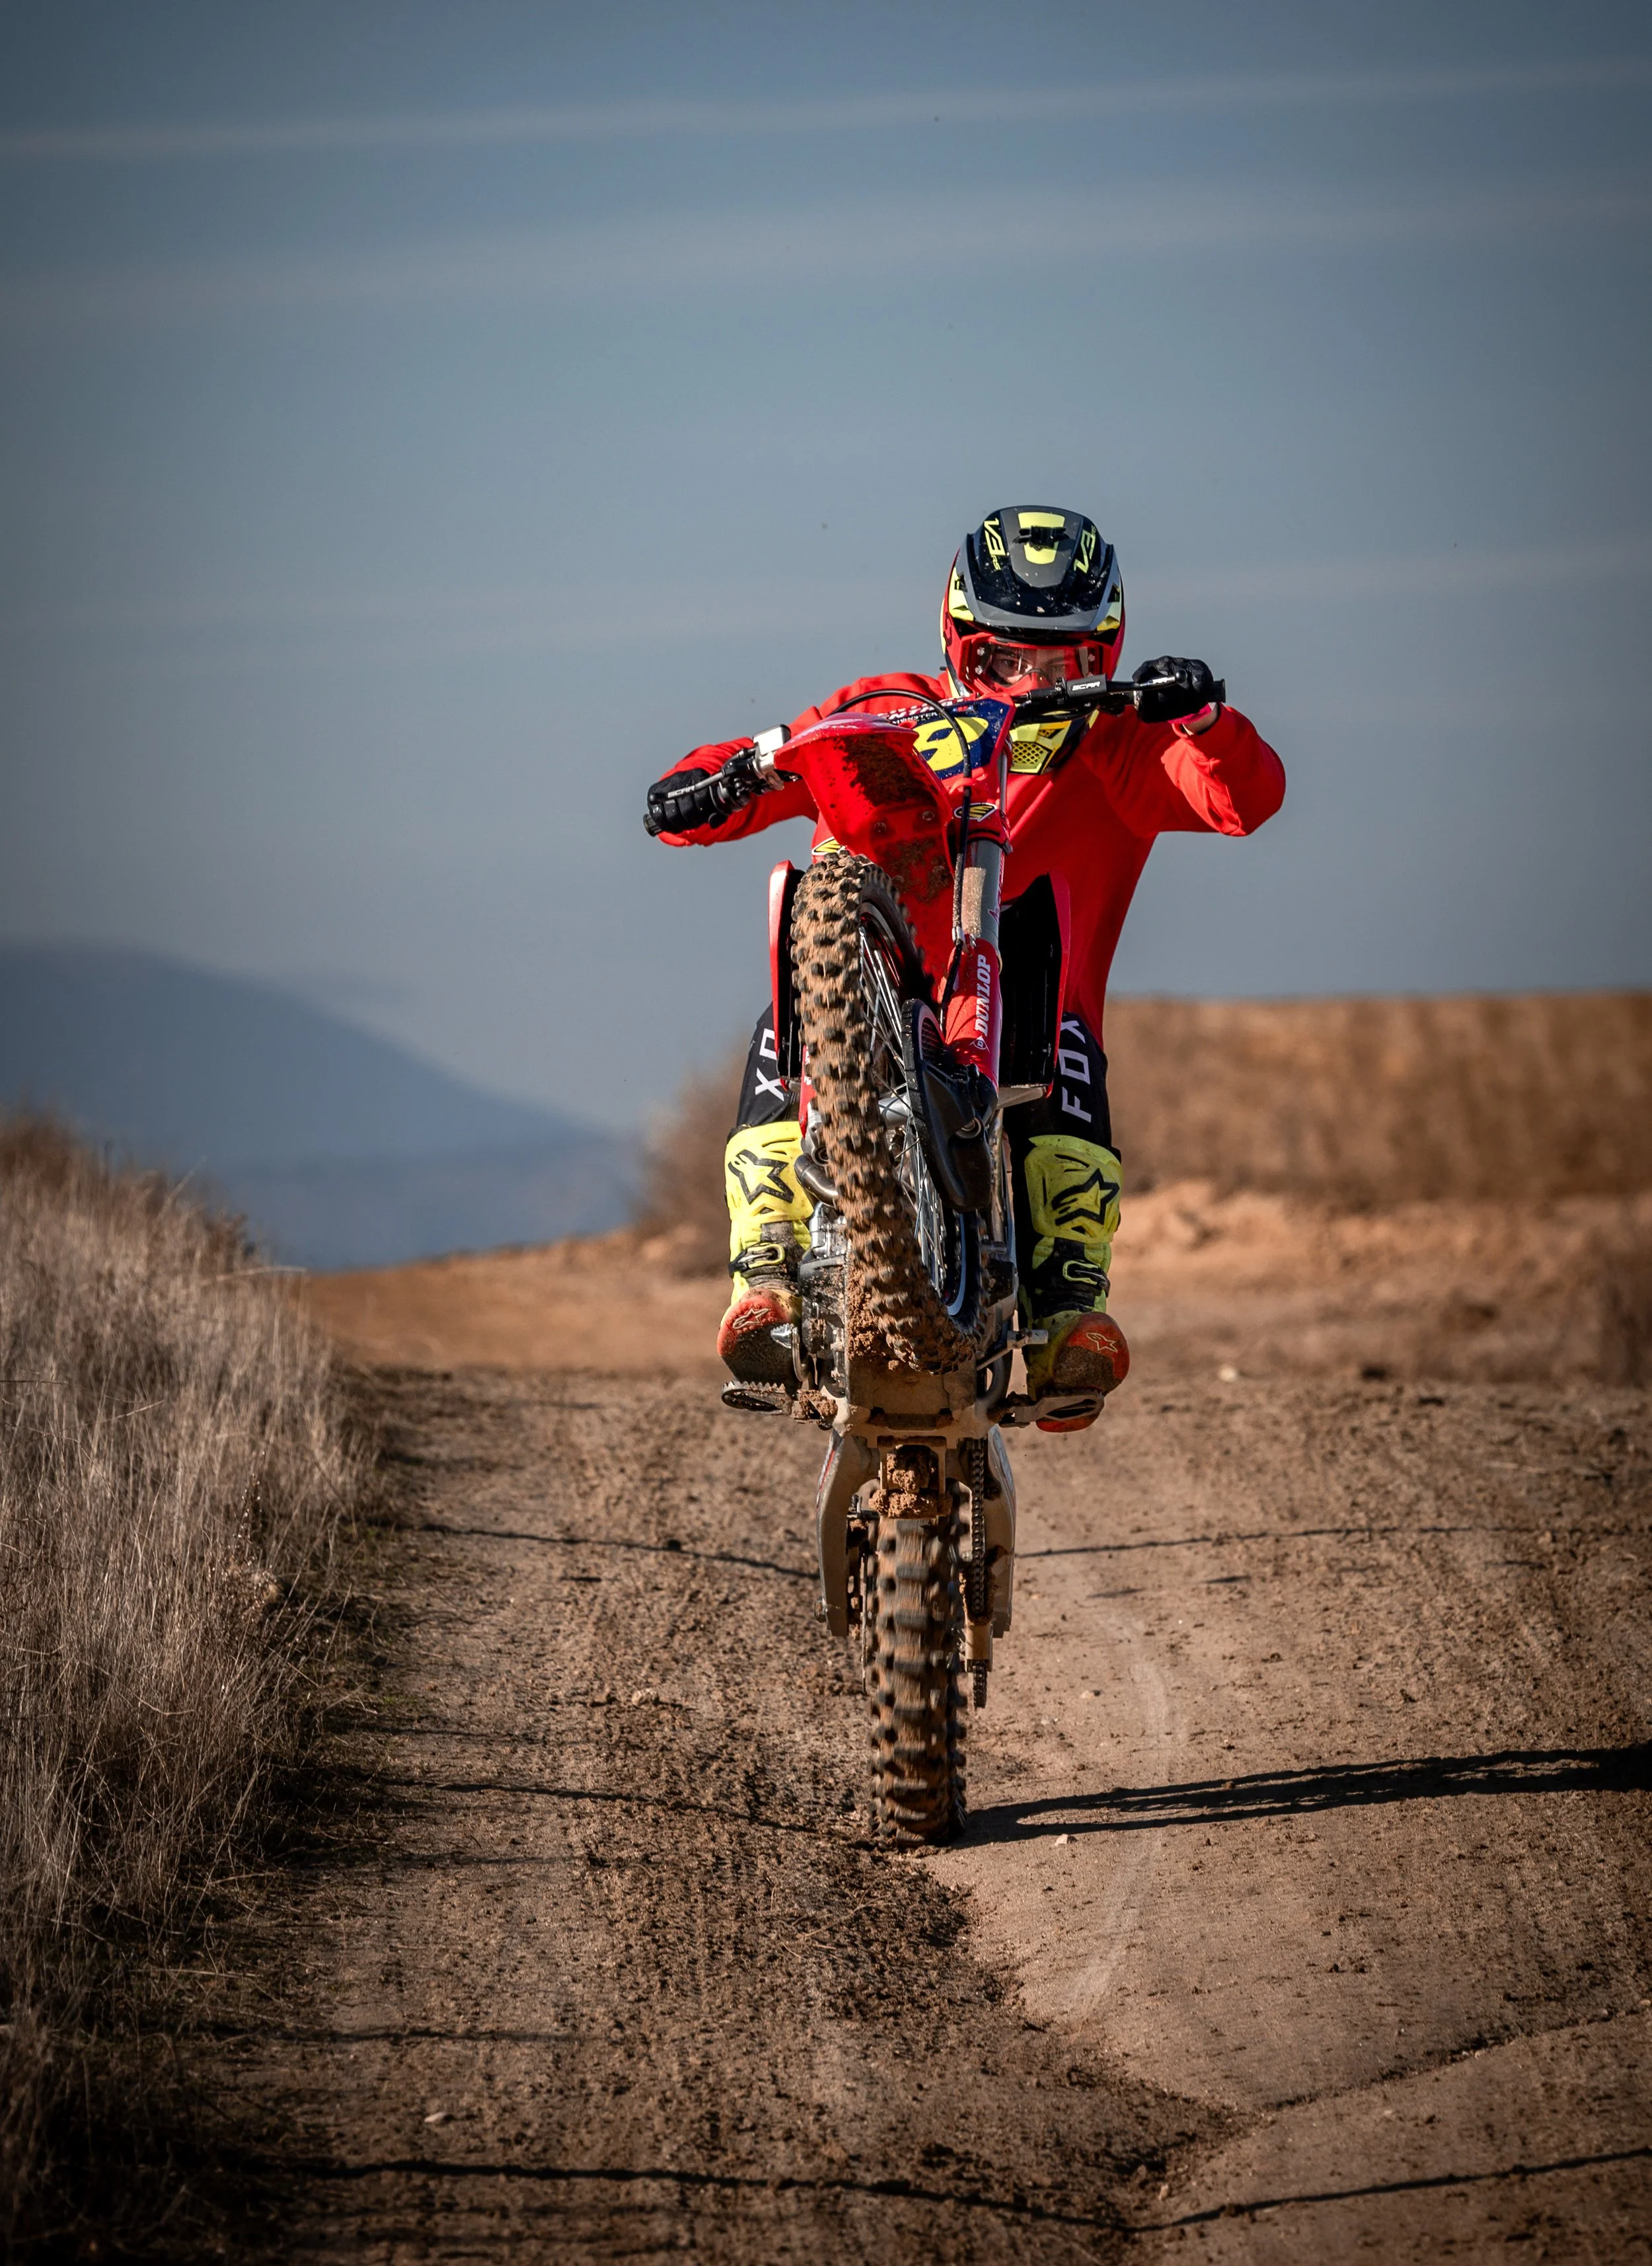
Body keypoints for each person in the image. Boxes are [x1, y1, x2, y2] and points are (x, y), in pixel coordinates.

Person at [644, 506, 1285, 1428]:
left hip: (1027, 1016)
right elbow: (777, 765)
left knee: (1060, 1036)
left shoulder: (1122, 743)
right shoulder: (882, 710)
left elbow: (1244, 799)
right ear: (957, 641)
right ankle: (767, 1280)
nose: (1030, 684)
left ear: (1106, 653)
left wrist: (1206, 719)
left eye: (1065, 665)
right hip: (872, 995)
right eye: (1002, 662)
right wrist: (718, 778)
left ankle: (1070, 1307)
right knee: (783, 1018)